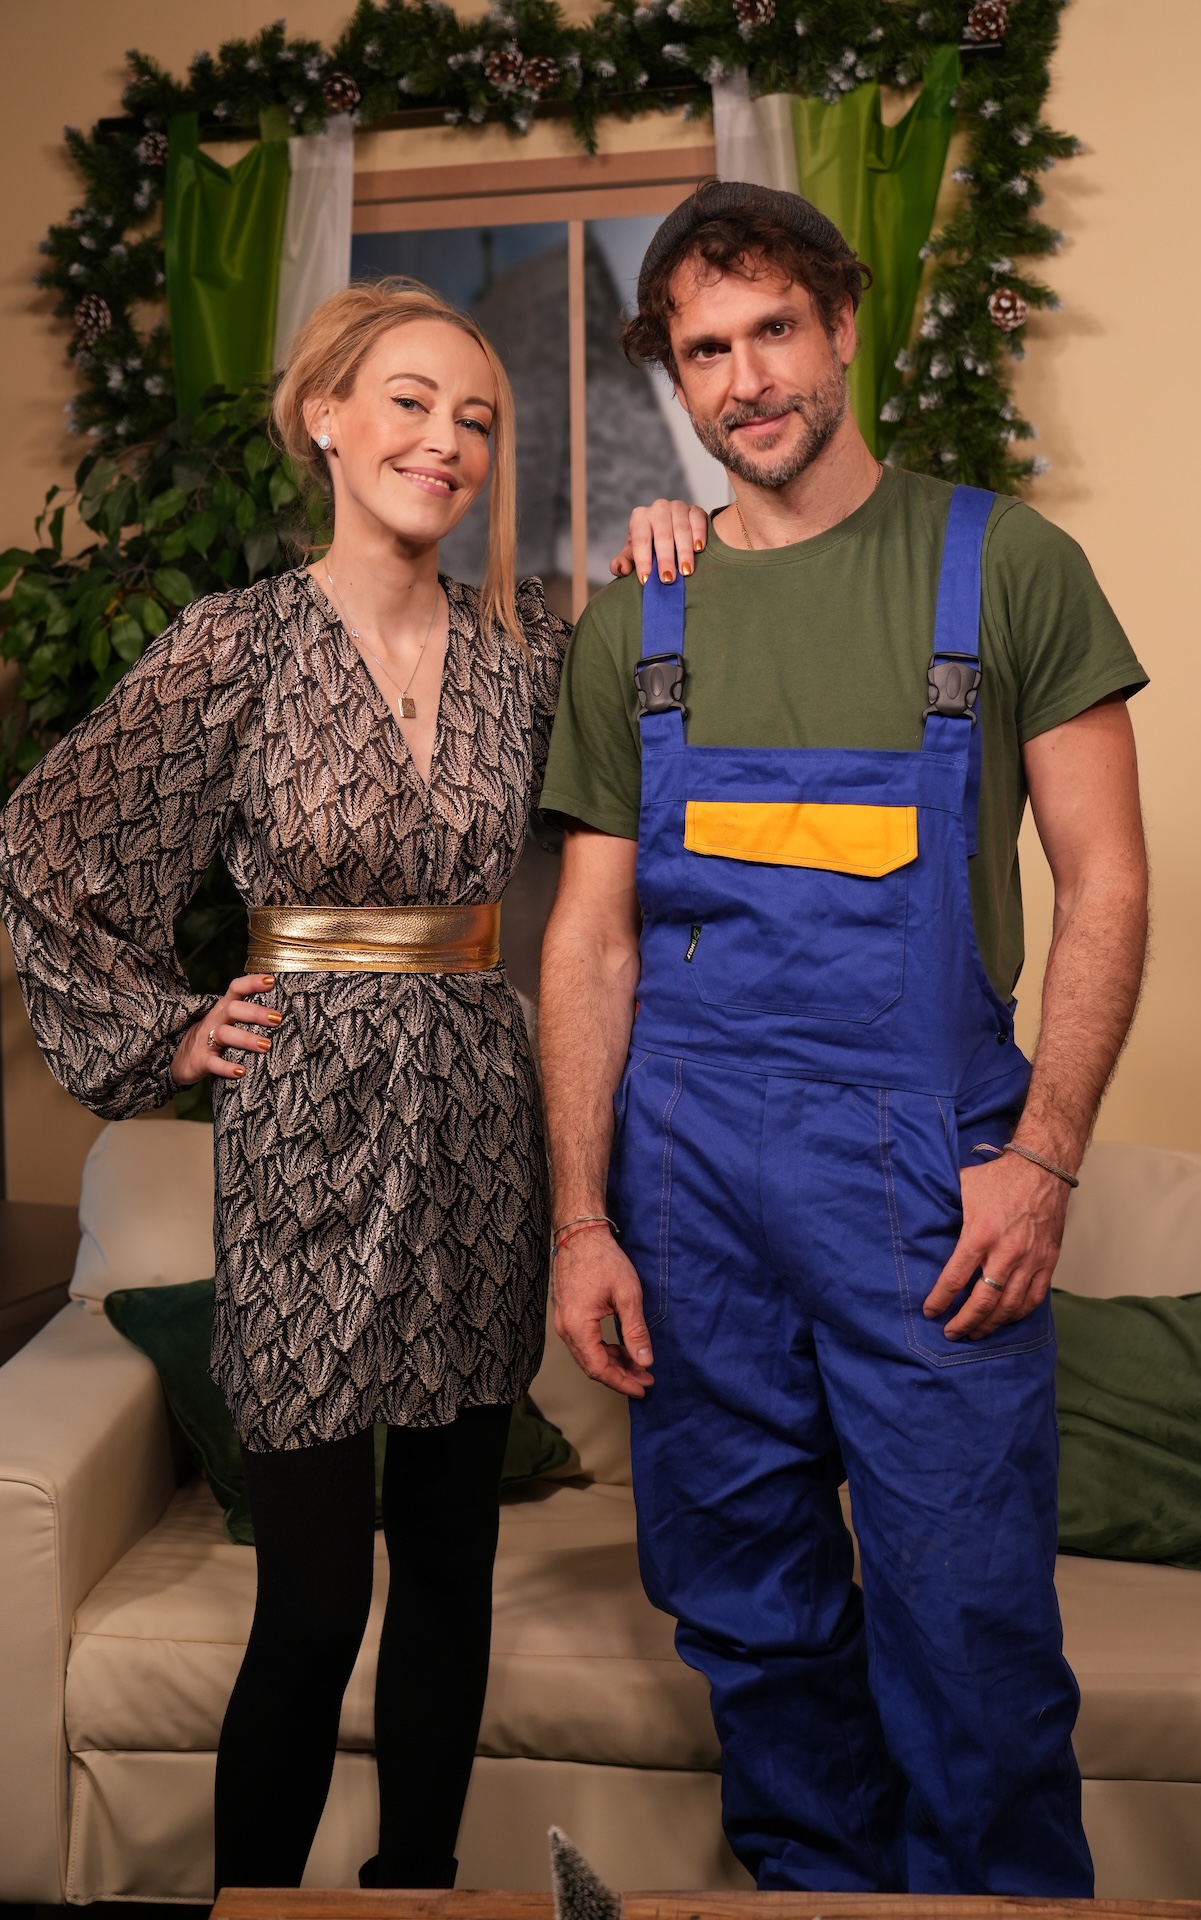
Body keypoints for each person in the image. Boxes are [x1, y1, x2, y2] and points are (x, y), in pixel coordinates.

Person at [0, 277, 704, 1892]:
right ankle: (259, 1910)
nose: (445, 440)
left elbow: (677, 712)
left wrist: (675, 542)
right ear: (324, 418)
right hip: (305, 1126)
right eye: (409, 401)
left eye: (476, 418)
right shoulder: (234, 646)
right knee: (316, 1602)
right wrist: (166, 1028)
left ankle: (417, 1902)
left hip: (478, 1114)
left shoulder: (529, 646)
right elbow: (49, 840)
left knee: (450, 1571)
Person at [537, 184, 1149, 1896]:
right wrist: (581, 1217)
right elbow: (590, 940)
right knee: (752, 1624)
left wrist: (1044, 1158)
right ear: (676, 375)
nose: (745, 380)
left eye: (774, 332)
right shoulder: (636, 617)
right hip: (689, 1194)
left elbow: (1107, 880)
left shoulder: (1003, 565)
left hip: (930, 1184)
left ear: (843, 325)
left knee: (968, 1634)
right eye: (704, 350)